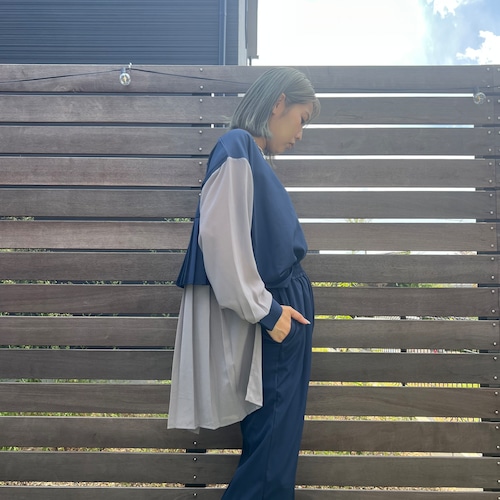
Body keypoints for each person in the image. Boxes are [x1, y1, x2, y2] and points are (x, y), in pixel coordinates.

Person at [168, 67, 320, 499]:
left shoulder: (248, 157)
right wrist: (269, 313)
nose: (300, 134)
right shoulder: (236, 146)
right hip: (275, 322)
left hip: (278, 319)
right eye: (302, 119)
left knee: (274, 457)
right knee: (269, 465)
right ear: (278, 103)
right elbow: (220, 241)